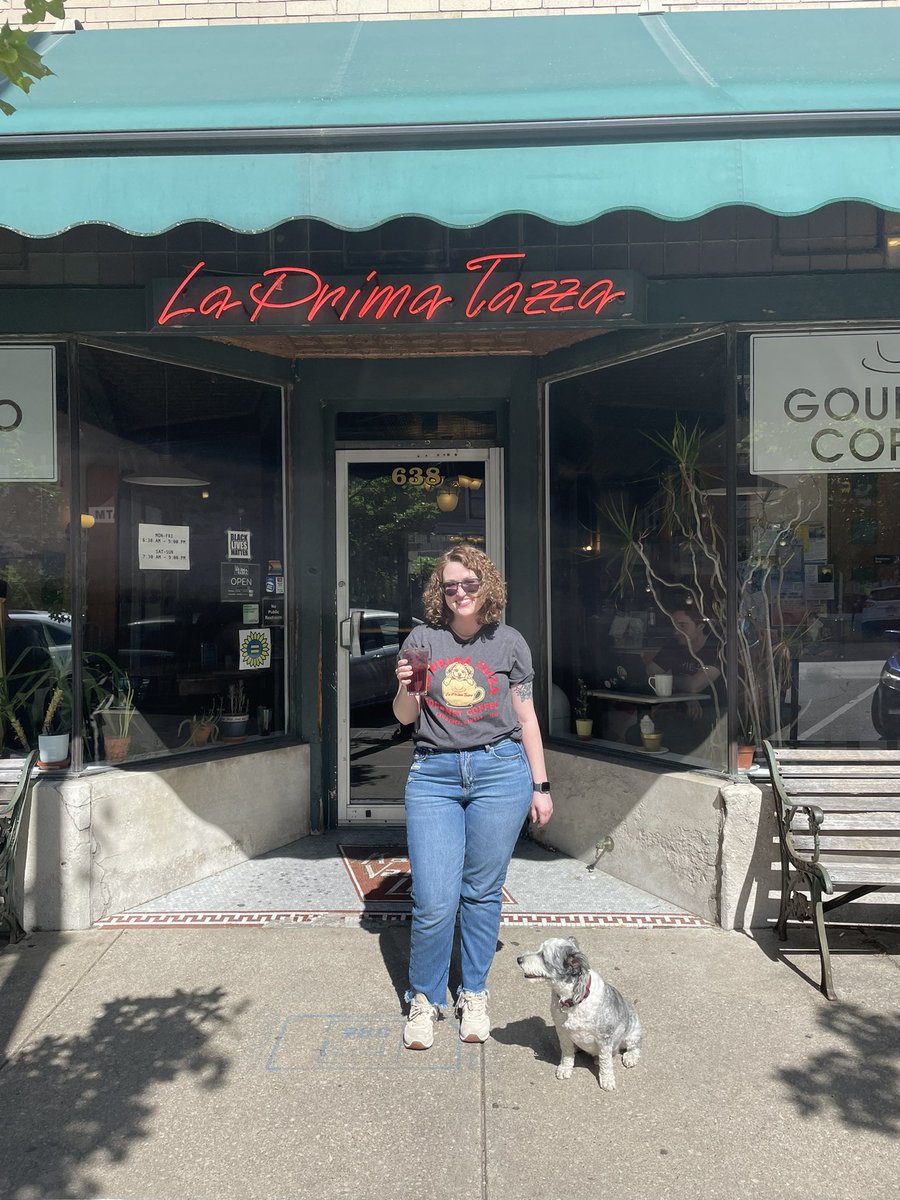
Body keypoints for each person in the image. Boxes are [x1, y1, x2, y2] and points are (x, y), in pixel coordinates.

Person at [393, 544, 553, 1051]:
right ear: (440, 593)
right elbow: (405, 715)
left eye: (469, 583)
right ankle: (424, 997)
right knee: (435, 899)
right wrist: (403, 688)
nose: (460, 592)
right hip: (434, 774)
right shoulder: (423, 639)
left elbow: (526, 717)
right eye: (450, 585)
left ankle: (475, 992)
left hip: (500, 771)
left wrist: (540, 785)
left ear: (487, 585)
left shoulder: (509, 644)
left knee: (482, 892)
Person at [642, 607, 723, 753]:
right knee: (636, 733)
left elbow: (694, 686)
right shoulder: (674, 645)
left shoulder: (716, 647)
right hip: (680, 709)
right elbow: (651, 673)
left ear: (700, 626)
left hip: (715, 712)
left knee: (671, 736)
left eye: (682, 625)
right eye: (674, 625)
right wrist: (688, 697)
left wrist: (669, 681)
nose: (676, 631)